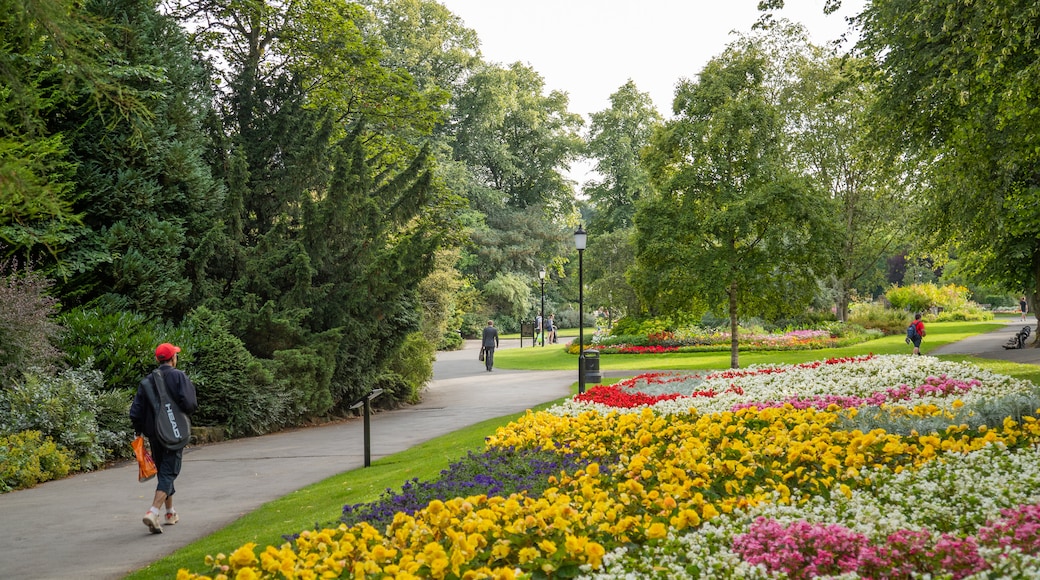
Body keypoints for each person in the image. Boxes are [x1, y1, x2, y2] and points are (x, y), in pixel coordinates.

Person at [129, 343, 198, 534]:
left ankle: (170, 513)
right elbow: (190, 403)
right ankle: (153, 512)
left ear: (158, 359)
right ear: (173, 358)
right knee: (169, 472)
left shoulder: (146, 381)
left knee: (164, 471)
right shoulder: (178, 376)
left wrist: (139, 432)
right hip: (174, 433)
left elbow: (135, 412)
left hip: (155, 435)